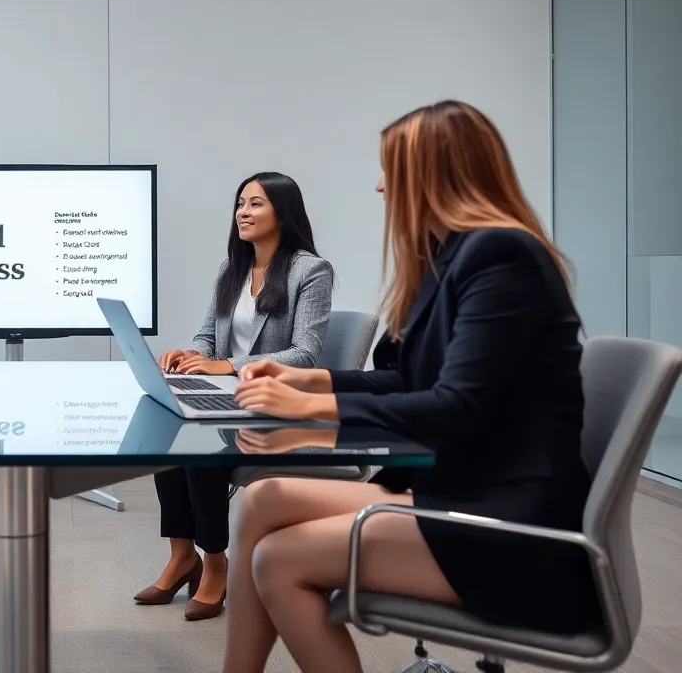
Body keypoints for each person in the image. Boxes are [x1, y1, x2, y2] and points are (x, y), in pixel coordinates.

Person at [221, 100, 599, 673]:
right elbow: (408, 380)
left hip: (508, 528)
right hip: (464, 491)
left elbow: (456, 408)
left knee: (277, 560)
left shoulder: (501, 255)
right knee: (259, 500)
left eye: (389, 170)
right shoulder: (454, 256)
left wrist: (309, 418)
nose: (379, 186)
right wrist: (310, 377)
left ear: (436, 174)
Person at [140, 171, 334, 621]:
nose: (242, 212)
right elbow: (207, 336)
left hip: (276, 409)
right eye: (240, 203)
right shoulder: (234, 270)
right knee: (167, 433)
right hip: (229, 399)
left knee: (200, 446)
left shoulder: (311, 270)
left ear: (283, 213)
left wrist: (228, 366)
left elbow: (306, 354)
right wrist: (190, 356)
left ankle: (214, 563)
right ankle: (181, 554)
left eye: (256, 204)